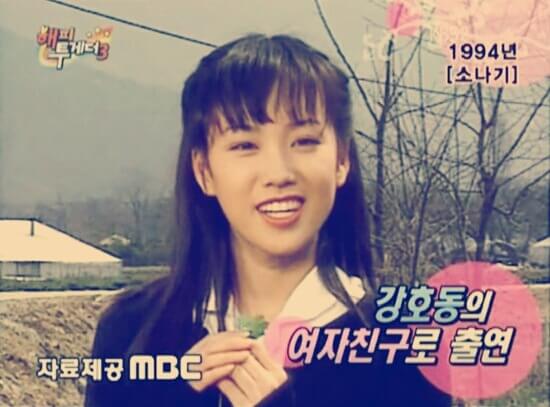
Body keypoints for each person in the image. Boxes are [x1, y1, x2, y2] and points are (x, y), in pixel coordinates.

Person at [85, 33, 451, 407]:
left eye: (304, 141)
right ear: (204, 170)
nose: (278, 173)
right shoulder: (132, 332)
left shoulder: (406, 347)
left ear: (341, 160)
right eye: (245, 145)